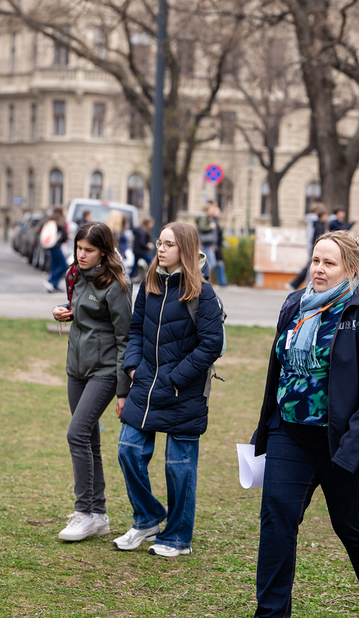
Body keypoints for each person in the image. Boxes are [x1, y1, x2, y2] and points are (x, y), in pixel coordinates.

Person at [251, 230, 359, 618]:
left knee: (354, 528)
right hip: (290, 432)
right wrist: (268, 424)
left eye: (329, 263)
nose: (319, 269)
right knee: (276, 522)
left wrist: (350, 450)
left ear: (351, 269)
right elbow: (279, 368)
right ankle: (270, 614)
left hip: (344, 444)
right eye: (315, 260)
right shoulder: (295, 304)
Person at [114, 222, 225, 557]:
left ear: (185, 249)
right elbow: (135, 331)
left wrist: (176, 378)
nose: (160, 249)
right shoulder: (149, 285)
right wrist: (133, 367)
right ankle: (148, 518)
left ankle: (177, 537)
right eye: (159, 243)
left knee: (179, 468)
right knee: (128, 450)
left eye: (169, 244)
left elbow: (211, 345)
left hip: (183, 392)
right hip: (146, 385)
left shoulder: (203, 294)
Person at [51, 222, 133, 541]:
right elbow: (81, 310)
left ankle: (83, 512)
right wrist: (64, 312)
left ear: (104, 252)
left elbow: (125, 338)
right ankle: (98, 515)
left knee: (77, 433)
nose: (81, 255)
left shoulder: (117, 285)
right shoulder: (74, 275)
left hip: (105, 371)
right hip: (77, 367)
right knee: (89, 438)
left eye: (89, 250)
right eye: (78, 248)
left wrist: (123, 390)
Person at [288, 203, 329, 290]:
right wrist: (311, 248)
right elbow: (312, 236)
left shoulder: (316, 222)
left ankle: (294, 284)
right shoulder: (315, 222)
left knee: (309, 266)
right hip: (313, 248)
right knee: (311, 267)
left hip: (313, 248)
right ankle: (305, 285)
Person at [45, 206, 69, 293]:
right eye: (65, 211)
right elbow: (63, 236)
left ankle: (55, 284)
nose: (66, 212)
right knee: (63, 265)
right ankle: (51, 281)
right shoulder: (59, 222)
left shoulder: (51, 221)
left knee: (55, 265)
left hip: (52, 246)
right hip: (55, 246)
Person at [208, 203, 228, 287]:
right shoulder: (212, 222)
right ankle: (221, 281)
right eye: (218, 211)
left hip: (217, 245)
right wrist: (214, 245)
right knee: (213, 263)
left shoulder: (215, 221)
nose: (219, 213)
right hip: (214, 246)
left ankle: (222, 281)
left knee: (217, 263)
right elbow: (214, 235)